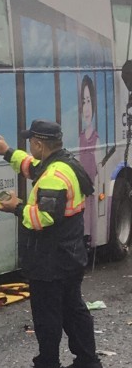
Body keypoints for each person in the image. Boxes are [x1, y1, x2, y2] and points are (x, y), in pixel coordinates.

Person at [0, 120, 104, 368]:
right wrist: (7, 152)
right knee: (73, 309)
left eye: (31, 143)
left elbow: (44, 218)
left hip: (52, 259)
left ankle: (49, 367)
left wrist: (16, 207)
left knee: (47, 314)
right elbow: (32, 167)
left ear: (39, 144)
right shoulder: (64, 164)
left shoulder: (53, 176)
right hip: (70, 254)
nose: (30, 147)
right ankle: (88, 361)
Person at [78, 74, 99, 246]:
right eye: (83, 102)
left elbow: (98, 168)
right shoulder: (80, 139)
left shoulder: (96, 139)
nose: (86, 107)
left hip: (90, 192)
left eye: (89, 101)